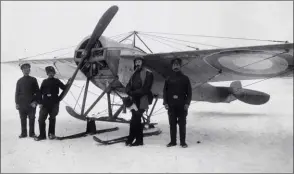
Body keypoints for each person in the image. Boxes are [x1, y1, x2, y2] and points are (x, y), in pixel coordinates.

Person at [125, 55, 154, 146]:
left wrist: (133, 93)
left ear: (143, 63)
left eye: (139, 62)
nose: (137, 63)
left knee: (136, 119)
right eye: (136, 62)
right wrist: (129, 91)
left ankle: (136, 139)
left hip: (142, 100)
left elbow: (146, 88)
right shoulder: (134, 74)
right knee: (134, 120)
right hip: (134, 100)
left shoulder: (148, 73)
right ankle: (134, 139)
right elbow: (128, 86)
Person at [163, 58, 192, 148]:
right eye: (174, 65)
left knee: (182, 124)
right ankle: (173, 141)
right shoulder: (168, 79)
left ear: (180, 66)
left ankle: (183, 142)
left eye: (177, 65)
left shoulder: (185, 78)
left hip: (182, 105)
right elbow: (165, 92)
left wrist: (187, 103)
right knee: (172, 124)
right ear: (172, 67)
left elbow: (189, 92)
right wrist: (165, 102)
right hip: (171, 105)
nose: (176, 66)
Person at [35, 66, 67, 141]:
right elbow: (40, 93)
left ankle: (51, 134)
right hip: (45, 102)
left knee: (52, 118)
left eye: (52, 72)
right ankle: (42, 135)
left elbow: (64, 88)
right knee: (41, 119)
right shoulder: (44, 81)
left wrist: (69, 82)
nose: (51, 74)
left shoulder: (57, 81)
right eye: (49, 73)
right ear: (47, 73)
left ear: (54, 73)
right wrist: (40, 102)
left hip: (54, 102)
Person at [15, 63, 40, 138]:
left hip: (31, 104)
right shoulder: (19, 81)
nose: (26, 70)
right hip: (22, 104)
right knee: (23, 119)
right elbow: (17, 93)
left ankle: (32, 133)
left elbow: (38, 92)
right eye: (24, 69)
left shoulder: (33, 80)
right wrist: (17, 103)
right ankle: (23, 133)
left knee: (32, 119)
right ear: (22, 70)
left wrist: (35, 102)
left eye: (28, 68)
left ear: (29, 70)